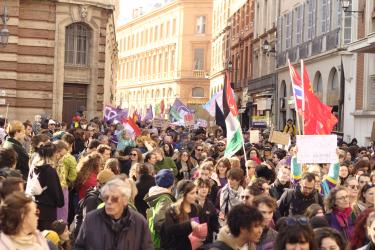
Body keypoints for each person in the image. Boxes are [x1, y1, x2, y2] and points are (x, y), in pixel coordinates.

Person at [75, 178, 153, 250]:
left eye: (114, 198)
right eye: (106, 197)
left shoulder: (139, 222)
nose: (109, 202)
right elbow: (79, 247)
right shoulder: (90, 219)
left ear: (125, 200)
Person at [27, 142, 64, 230]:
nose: (57, 155)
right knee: (46, 236)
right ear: (52, 155)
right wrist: (60, 202)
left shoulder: (35, 167)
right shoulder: (50, 170)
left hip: (35, 204)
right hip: (48, 209)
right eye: (56, 153)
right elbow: (54, 190)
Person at [160, 180, 205, 250]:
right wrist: (190, 224)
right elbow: (170, 230)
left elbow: (203, 227)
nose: (195, 196)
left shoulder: (197, 208)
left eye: (196, 192)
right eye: (192, 193)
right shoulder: (171, 211)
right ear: (183, 195)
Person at [144, 169, 176, 249]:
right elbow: (159, 222)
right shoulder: (165, 199)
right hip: (162, 244)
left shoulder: (158, 196)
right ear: (172, 183)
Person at [195, 177, 220, 244]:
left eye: (206, 187)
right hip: (192, 240)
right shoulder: (191, 203)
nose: (204, 189)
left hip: (207, 240)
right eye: (202, 187)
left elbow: (214, 224)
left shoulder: (210, 205)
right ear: (197, 188)